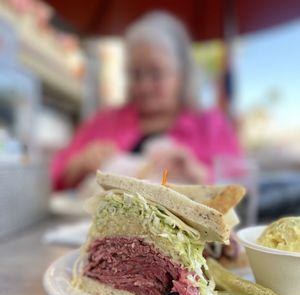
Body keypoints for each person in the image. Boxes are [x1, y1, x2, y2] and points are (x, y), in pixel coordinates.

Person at [51, 11, 242, 190]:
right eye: (135, 74)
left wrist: (200, 177)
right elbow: (51, 176)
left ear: (182, 74)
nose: (144, 86)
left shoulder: (211, 125)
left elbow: (241, 188)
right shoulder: (104, 121)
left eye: (156, 73)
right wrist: (77, 166)